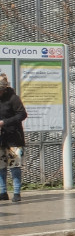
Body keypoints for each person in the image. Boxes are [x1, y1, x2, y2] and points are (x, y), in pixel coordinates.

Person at [0, 73, 27, 202]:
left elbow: (22, 115)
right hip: (1, 137)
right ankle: (3, 192)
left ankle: (16, 193)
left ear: (4, 89)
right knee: (1, 165)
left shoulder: (13, 98)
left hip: (14, 137)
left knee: (14, 165)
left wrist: (4, 122)